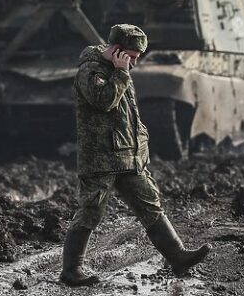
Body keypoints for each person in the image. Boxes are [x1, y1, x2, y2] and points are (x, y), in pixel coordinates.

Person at [60, 23, 211, 286]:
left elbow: (128, 116)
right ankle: (71, 270)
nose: (136, 61)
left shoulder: (121, 70)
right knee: (91, 209)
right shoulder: (91, 70)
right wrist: (120, 73)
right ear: (117, 51)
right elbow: (104, 101)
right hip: (101, 158)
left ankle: (177, 256)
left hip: (127, 157)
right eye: (132, 55)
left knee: (149, 203)